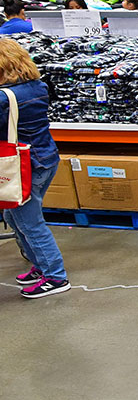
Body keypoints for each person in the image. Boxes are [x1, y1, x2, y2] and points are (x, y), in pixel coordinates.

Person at [0, 39, 70, 298]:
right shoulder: (38, 86)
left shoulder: (4, 98)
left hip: (22, 166)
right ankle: (41, 266)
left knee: (29, 223)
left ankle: (55, 276)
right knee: (16, 217)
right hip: (44, 158)